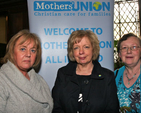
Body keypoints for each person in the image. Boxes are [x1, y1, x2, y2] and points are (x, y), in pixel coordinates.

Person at [52, 30, 119, 113]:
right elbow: (57, 107)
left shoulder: (107, 77)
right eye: (76, 47)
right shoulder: (63, 74)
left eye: (86, 47)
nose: (81, 52)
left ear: (93, 50)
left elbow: (112, 110)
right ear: (72, 52)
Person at [0, 29, 53, 113]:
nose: (28, 54)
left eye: (33, 50)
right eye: (23, 49)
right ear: (12, 51)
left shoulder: (40, 80)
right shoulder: (2, 80)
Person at [114, 33, 141, 113]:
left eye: (134, 47)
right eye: (124, 48)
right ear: (119, 54)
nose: (129, 51)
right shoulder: (114, 76)